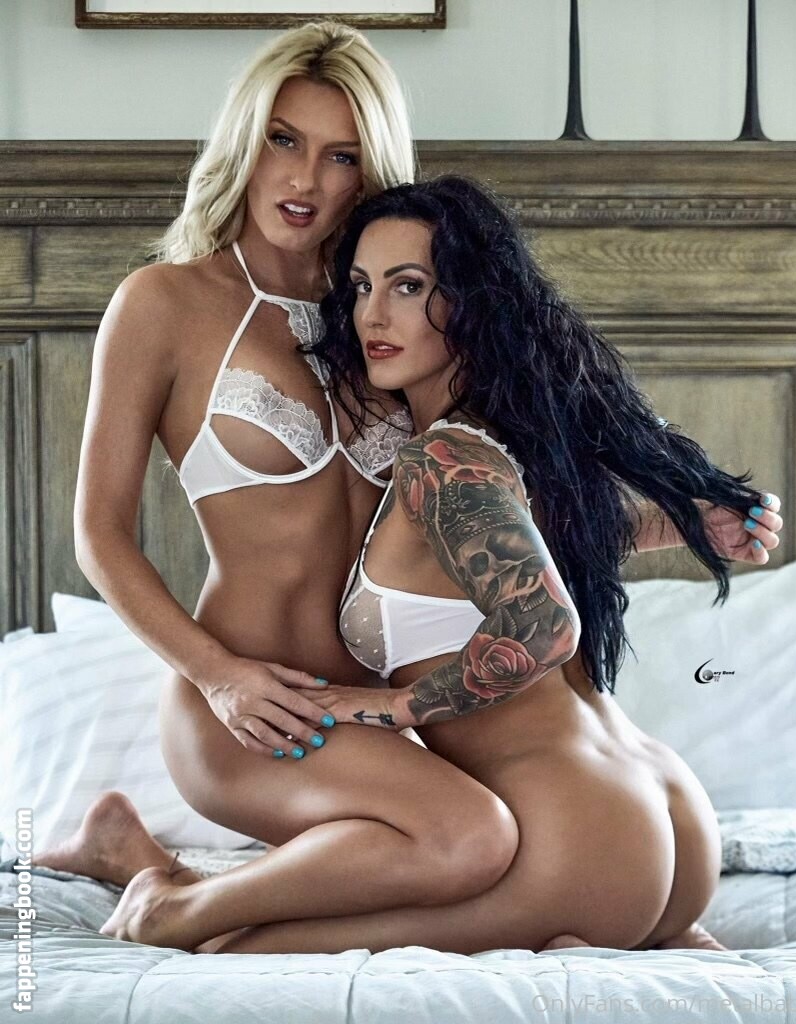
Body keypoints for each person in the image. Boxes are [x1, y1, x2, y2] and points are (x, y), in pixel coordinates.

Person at [77, 174, 780, 958]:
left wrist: (391, 707)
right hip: (668, 824)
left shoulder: (440, 460)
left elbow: (543, 624)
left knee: (246, 952)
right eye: (360, 287)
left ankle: (164, 903)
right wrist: (684, 525)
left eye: (408, 287)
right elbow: (540, 552)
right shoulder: (506, 446)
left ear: (473, 303)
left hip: (580, 848)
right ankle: (145, 865)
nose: (372, 315)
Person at [32, 23, 523, 952]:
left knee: (528, 844)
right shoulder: (165, 303)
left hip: (367, 714)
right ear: (243, 143)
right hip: (244, 712)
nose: (304, 180)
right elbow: (99, 532)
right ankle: (169, 910)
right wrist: (219, 678)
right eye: (282, 140)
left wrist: (674, 517)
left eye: (341, 155)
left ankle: (140, 859)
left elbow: (499, 500)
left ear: (370, 171)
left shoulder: (392, 315)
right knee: (470, 837)